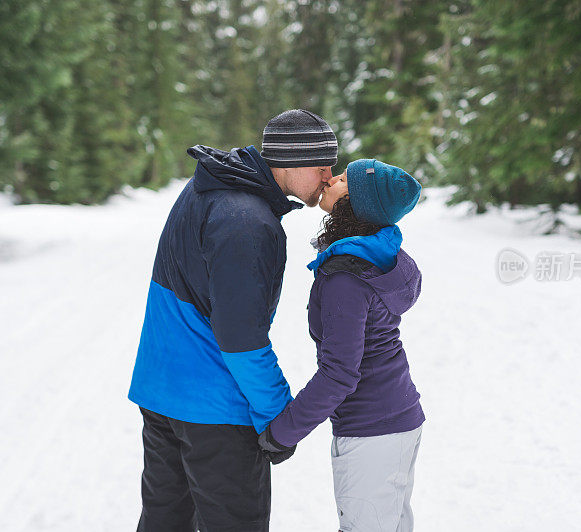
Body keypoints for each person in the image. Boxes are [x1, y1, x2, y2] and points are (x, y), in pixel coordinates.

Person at [128, 109, 338, 531]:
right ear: (292, 162)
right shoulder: (247, 222)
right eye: (322, 165)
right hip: (214, 412)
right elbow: (241, 339)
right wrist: (277, 416)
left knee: (164, 522)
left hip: (161, 392)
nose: (330, 176)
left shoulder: (211, 186)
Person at [258, 159, 425, 532]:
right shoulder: (379, 256)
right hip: (397, 419)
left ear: (358, 203)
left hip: (373, 431)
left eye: (345, 179)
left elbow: (339, 374)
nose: (332, 178)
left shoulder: (347, 276)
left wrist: (281, 433)